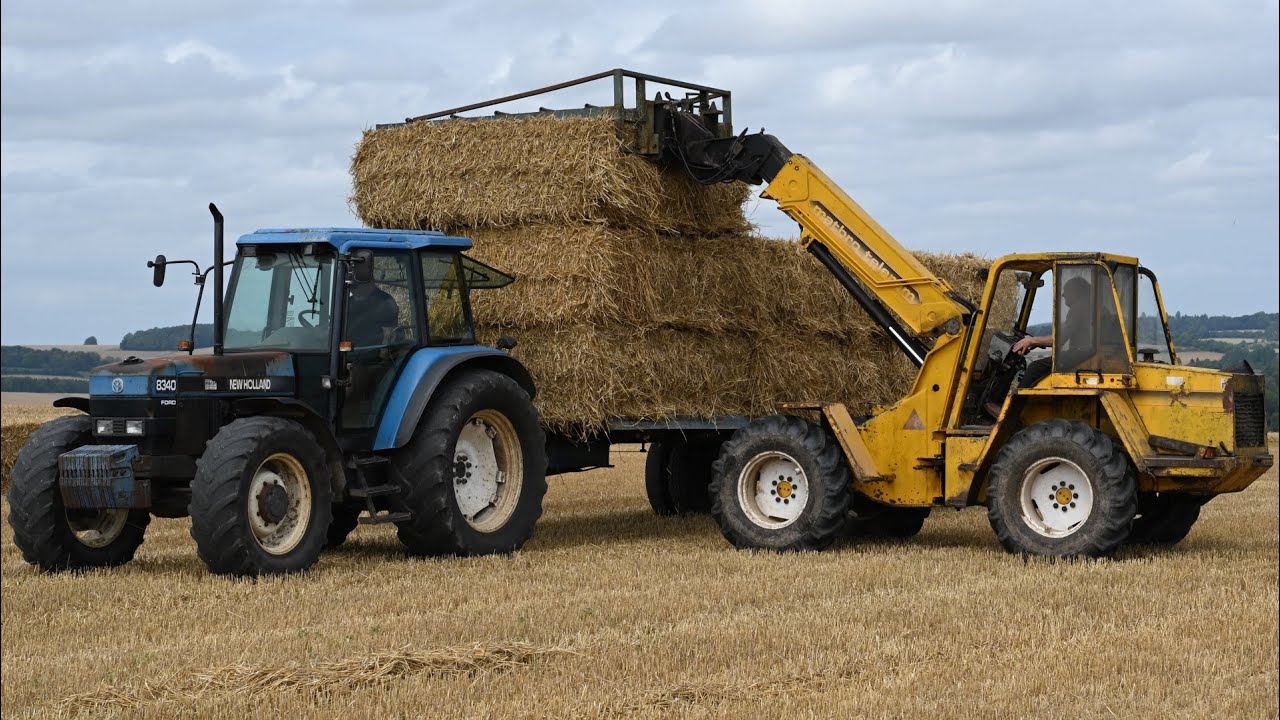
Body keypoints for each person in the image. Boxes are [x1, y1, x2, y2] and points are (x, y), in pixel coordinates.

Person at [1011, 275, 1093, 389]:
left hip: (1081, 355)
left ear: (1076, 291)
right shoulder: (1091, 307)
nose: (1063, 294)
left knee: (1035, 367)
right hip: (1088, 354)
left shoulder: (1078, 308)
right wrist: (1036, 341)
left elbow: (1060, 339)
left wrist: (1031, 340)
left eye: (1066, 290)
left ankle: (1015, 405)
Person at [346, 280, 399, 347]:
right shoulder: (347, 303)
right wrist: (344, 353)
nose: (351, 287)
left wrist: (382, 354)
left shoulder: (384, 301)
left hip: (373, 353)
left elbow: (389, 334)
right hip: (350, 351)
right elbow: (342, 339)